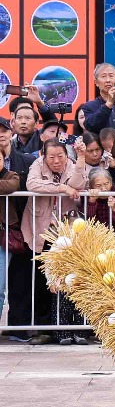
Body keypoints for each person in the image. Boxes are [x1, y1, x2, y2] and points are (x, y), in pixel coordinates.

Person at [22, 140, 87, 345]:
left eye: (60, 156)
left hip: (66, 231)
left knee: (66, 281)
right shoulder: (37, 165)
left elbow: (79, 184)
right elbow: (32, 184)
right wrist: (61, 187)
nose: (56, 161)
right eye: (51, 157)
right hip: (41, 230)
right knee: (42, 281)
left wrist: (81, 160)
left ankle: (67, 328)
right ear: (44, 156)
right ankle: (44, 329)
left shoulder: (72, 163)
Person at [0, 117, 35, 339]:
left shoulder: (25, 160)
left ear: (10, 131)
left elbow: (15, 185)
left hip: (19, 226)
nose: (1, 135)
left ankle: (19, 328)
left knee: (20, 280)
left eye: (3, 130)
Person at [84, 166, 115, 238]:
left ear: (110, 182)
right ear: (91, 186)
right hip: (95, 237)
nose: (103, 189)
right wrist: (92, 201)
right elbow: (87, 221)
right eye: (98, 185)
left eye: (106, 184)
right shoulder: (87, 194)